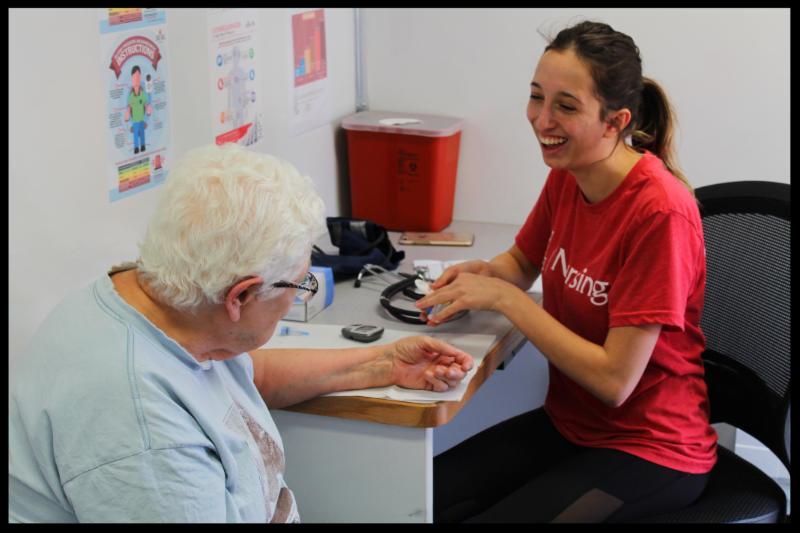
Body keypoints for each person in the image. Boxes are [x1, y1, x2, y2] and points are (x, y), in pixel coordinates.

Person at [8, 143, 474, 523]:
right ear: (241, 296)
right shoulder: (144, 435)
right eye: (299, 283)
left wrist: (383, 363)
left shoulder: (154, 302)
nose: (299, 295)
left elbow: (248, 376)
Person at [418, 20, 716, 523]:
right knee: (414, 501)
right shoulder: (569, 172)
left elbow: (615, 381)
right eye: (537, 97)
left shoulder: (660, 213)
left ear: (614, 121)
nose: (542, 120)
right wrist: (485, 275)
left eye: (566, 106)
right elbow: (522, 262)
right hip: (570, 426)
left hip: (652, 448)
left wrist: (507, 299)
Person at [124, 65, 152, 155]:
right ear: (132, 79)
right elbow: (129, 107)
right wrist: (127, 115)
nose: (136, 79)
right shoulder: (131, 96)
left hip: (141, 119)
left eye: (138, 77)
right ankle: (136, 147)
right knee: (135, 134)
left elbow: (146, 103)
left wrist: (148, 109)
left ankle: (143, 146)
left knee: (142, 133)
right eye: (134, 77)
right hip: (135, 120)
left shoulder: (142, 94)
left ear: (140, 78)